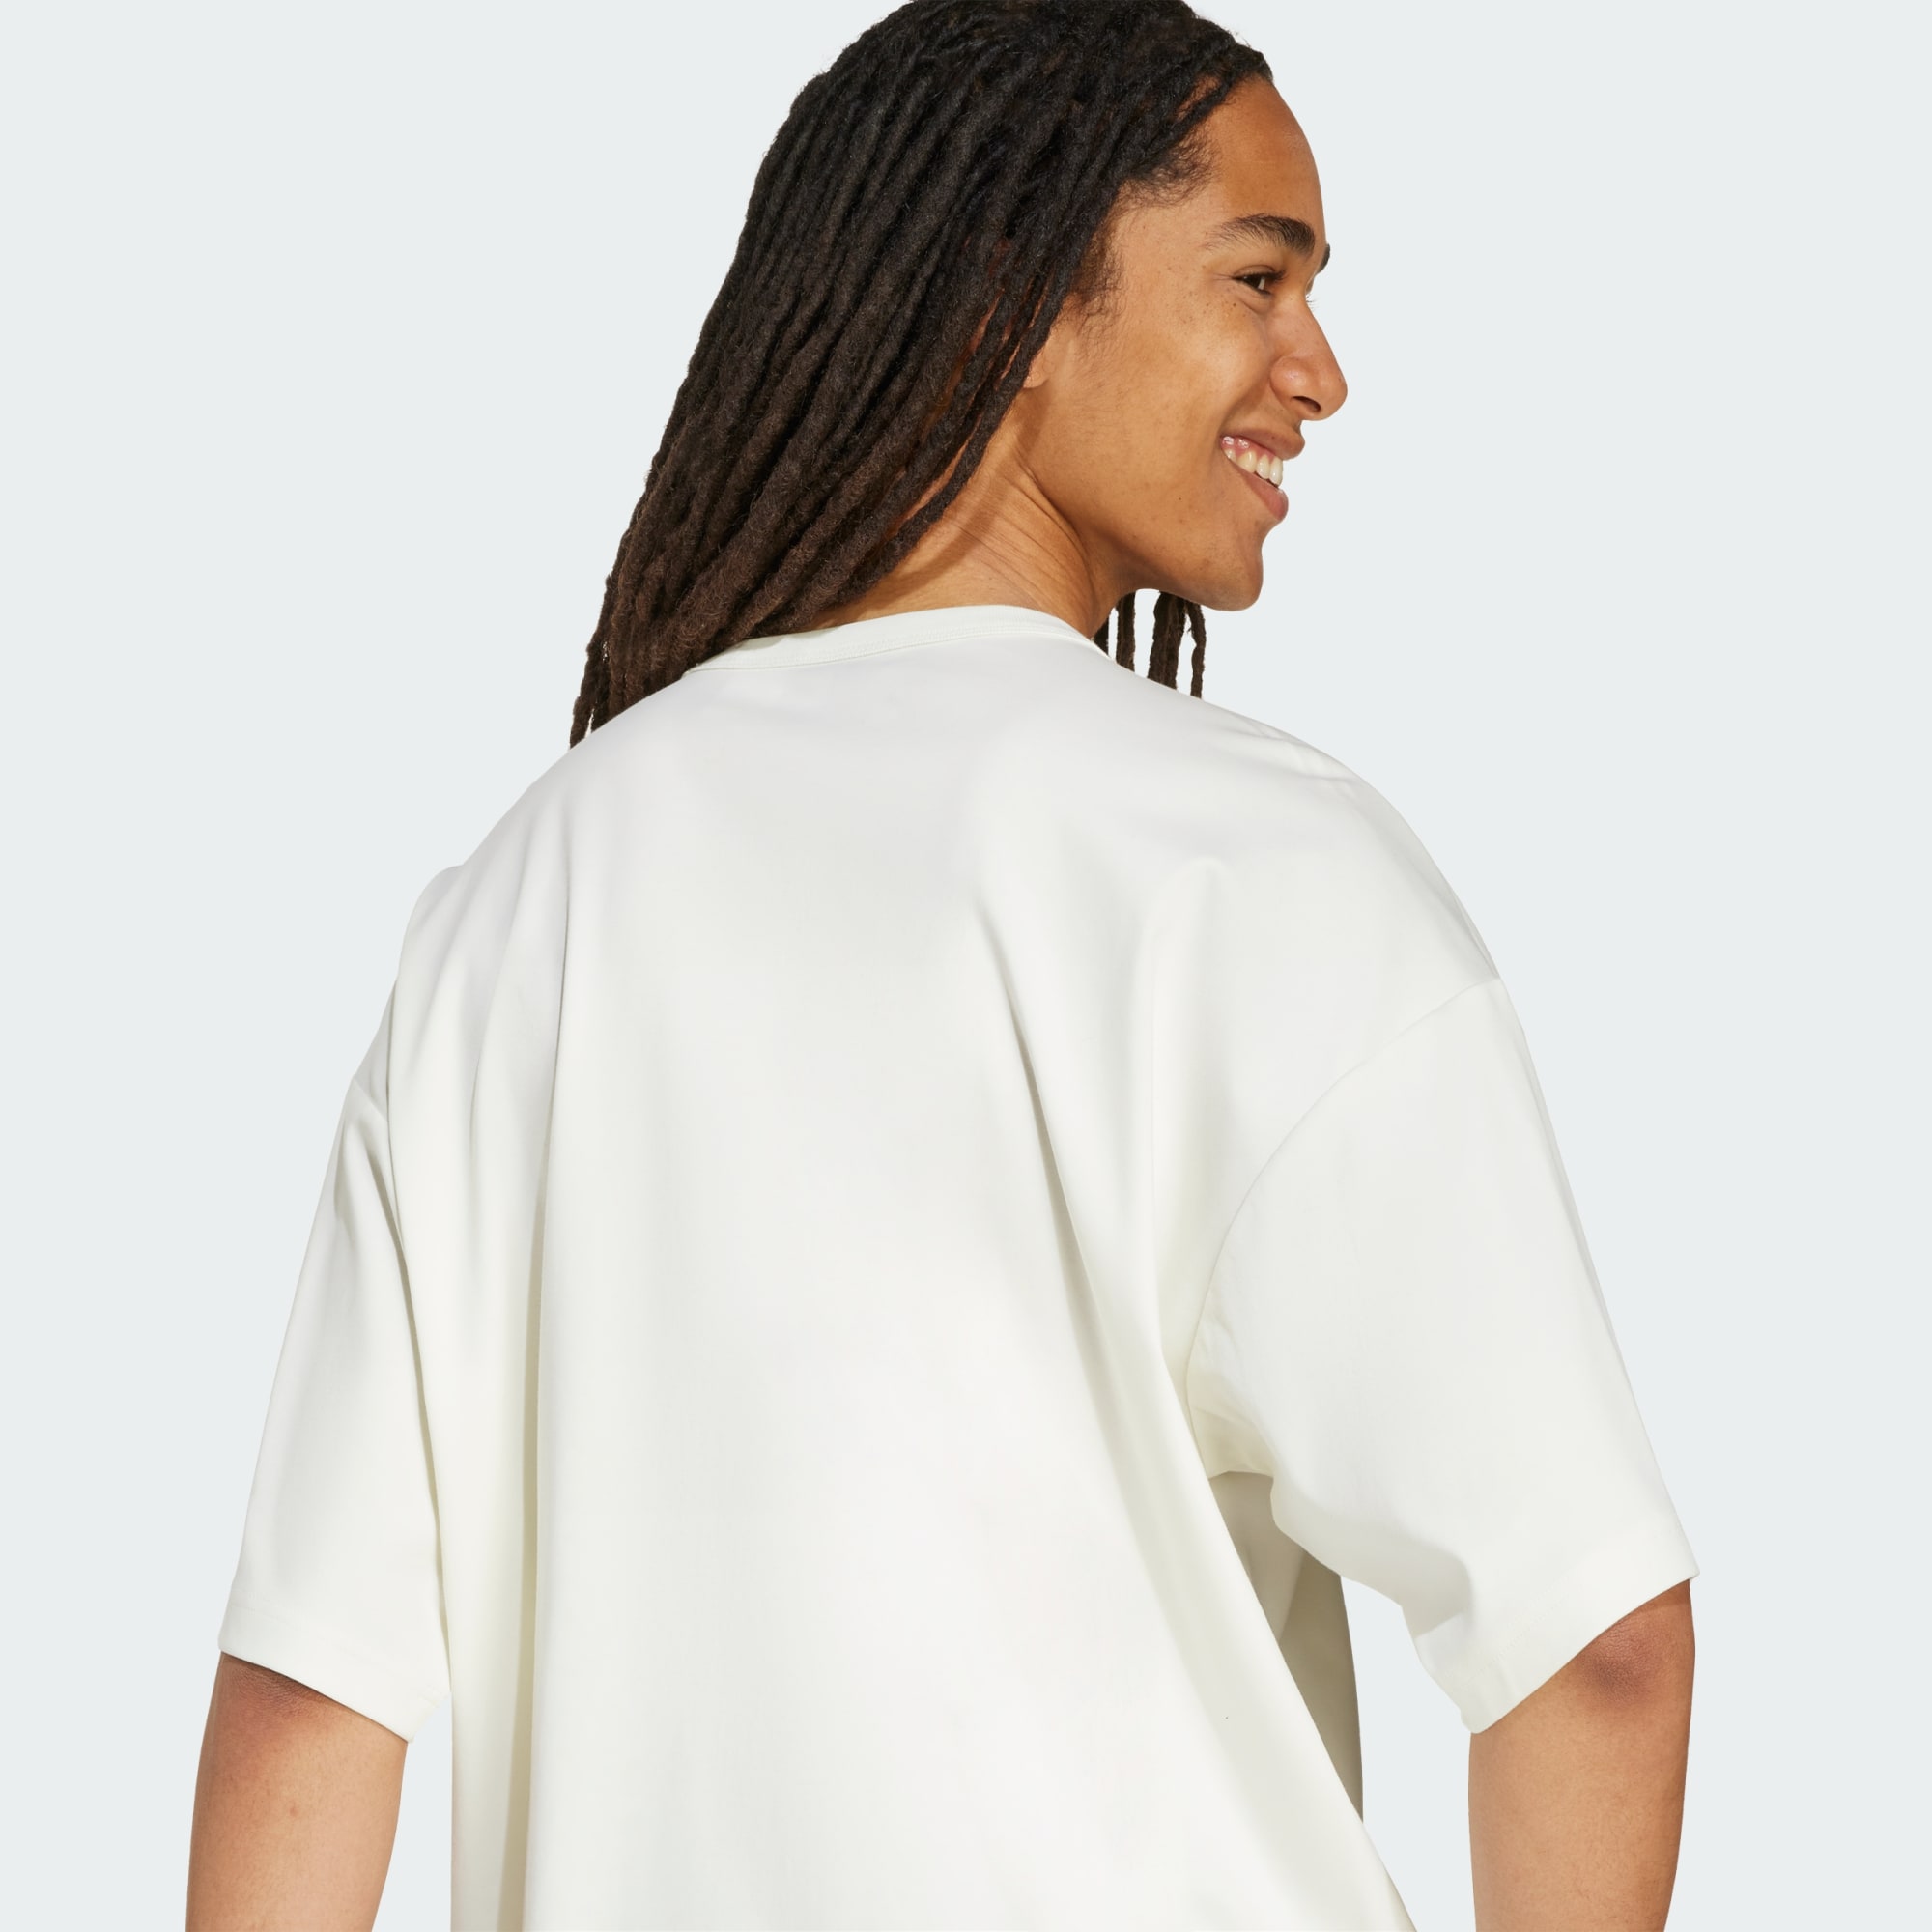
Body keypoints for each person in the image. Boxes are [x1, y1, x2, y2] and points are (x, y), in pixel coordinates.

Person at [186, 2, 1698, 1926]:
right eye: (1257, 278)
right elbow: (1591, 1641)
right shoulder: (1254, 875)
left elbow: (307, 1705)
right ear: (1011, 290)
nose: (1319, 370)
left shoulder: (518, 906)